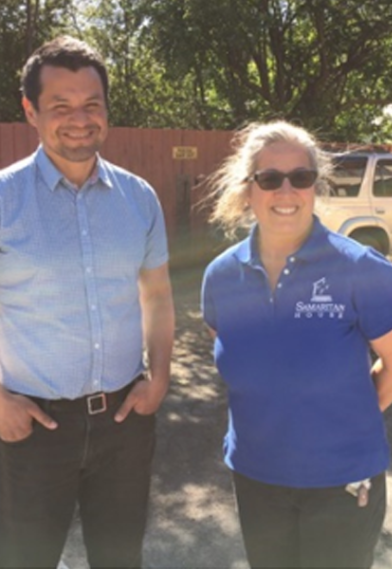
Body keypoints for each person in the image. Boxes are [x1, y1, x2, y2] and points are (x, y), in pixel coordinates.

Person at [201, 121, 392, 568]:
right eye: (270, 179)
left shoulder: (362, 269)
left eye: (300, 178)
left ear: (315, 185)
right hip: (256, 477)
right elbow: (234, 354)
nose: (287, 192)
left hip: (340, 481)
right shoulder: (221, 276)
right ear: (249, 190)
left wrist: (347, 416)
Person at [0, 36, 175, 567]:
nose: (79, 118)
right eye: (61, 106)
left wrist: (160, 376)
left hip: (124, 423)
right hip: (28, 429)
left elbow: (158, 294)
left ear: (106, 110)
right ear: (31, 110)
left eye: (91, 104)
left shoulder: (139, 197)